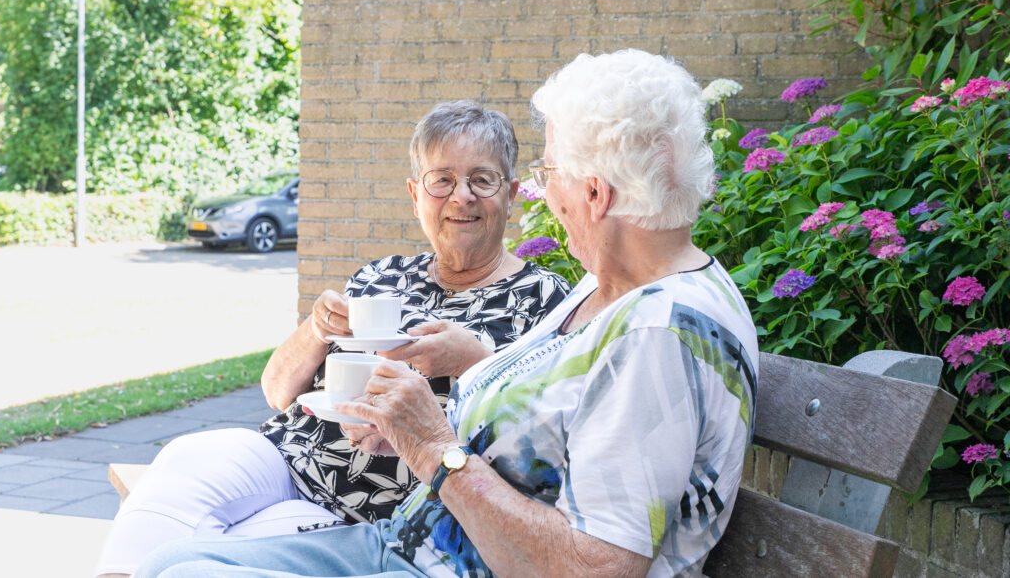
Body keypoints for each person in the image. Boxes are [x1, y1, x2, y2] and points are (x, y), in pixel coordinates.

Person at [136, 49, 760, 578]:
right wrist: (408, 426)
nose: (543, 192)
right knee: (169, 561)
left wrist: (434, 449)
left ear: (594, 193)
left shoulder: (659, 333)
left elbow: (597, 567)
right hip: (409, 545)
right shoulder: (608, 289)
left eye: (548, 172)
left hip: (438, 564)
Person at [95, 101, 572, 577]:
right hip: (287, 457)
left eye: (482, 180)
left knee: (182, 565)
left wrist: (474, 361)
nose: (461, 196)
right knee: (188, 458)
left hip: (376, 513)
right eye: (441, 179)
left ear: (511, 194)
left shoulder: (547, 298)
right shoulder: (380, 275)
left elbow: (548, 438)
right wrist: (316, 328)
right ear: (415, 195)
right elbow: (277, 391)